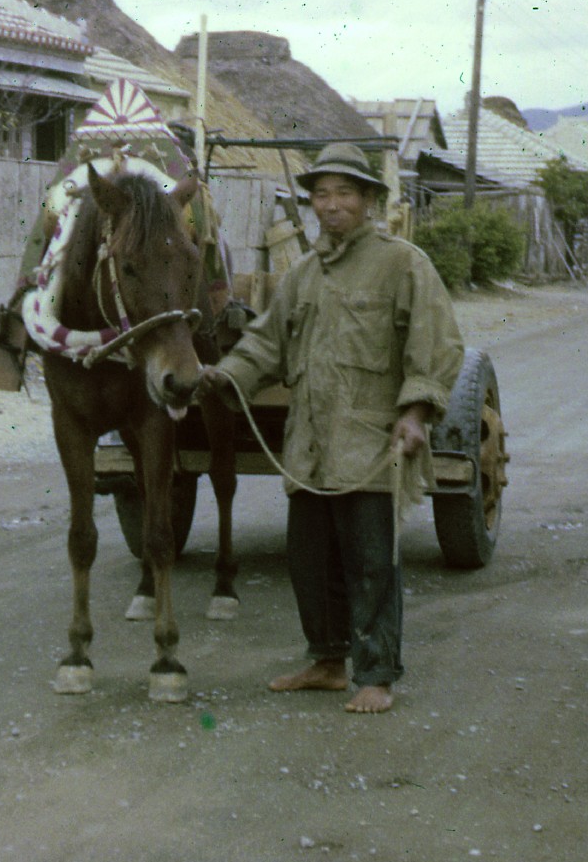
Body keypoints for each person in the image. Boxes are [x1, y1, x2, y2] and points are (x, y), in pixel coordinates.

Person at [197, 144, 465, 713]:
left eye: (346, 193)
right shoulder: (302, 273)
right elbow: (266, 342)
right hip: (311, 447)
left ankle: (376, 675)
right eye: (322, 194)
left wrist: (415, 414)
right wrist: (225, 376)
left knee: (371, 562)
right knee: (310, 557)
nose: (333, 205)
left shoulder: (403, 264)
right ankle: (326, 662)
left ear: (369, 200)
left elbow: (437, 346)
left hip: (371, 446)